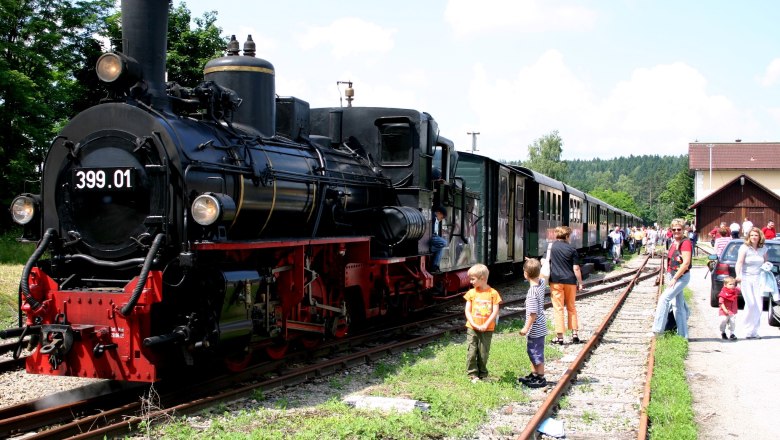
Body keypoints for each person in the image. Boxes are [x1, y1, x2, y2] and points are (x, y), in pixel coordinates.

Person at [652, 218, 692, 339]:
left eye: (679, 229)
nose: (676, 231)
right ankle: (683, 335)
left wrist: (674, 278)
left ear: (683, 229)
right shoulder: (674, 242)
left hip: (680, 277)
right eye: (673, 229)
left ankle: (657, 331)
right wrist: (668, 275)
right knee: (678, 306)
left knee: (664, 299)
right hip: (673, 275)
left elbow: (685, 263)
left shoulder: (685, 243)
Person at [463, 263, 502, 382]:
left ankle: (483, 374)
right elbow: (467, 310)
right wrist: (473, 324)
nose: (471, 281)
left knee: (483, 352)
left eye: (473, 279)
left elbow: (495, 311)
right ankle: (472, 374)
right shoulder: (471, 293)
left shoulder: (493, 293)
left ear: (482, 278)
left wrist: (486, 324)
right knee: (471, 351)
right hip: (472, 328)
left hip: (487, 329)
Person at [548, 226, 584, 345]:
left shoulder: (552, 247)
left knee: (558, 309)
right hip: (570, 281)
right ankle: (574, 334)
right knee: (571, 307)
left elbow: (545, 262)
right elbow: (576, 268)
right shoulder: (572, 249)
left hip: (556, 281)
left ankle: (560, 337)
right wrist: (580, 282)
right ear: (567, 236)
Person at [517, 258, 548, 388]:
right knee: (533, 351)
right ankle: (534, 374)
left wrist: (525, 328)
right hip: (541, 326)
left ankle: (540, 378)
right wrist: (534, 263)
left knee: (536, 353)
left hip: (535, 328)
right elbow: (542, 275)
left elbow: (532, 314)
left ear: (525, 274)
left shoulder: (531, 293)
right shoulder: (541, 284)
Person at [734, 227, 767, 339]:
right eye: (752, 235)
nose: (754, 237)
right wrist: (738, 275)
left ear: (760, 237)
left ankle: (754, 331)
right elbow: (739, 263)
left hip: (759, 279)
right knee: (751, 303)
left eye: (756, 235)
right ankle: (746, 329)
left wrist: (768, 267)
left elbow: (766, 263)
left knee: (759, 305)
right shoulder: (744, 248)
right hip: (746, 278)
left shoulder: (763, 249)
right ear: (749, 236)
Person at [718, 276, 739, 340]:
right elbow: (721, 302)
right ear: (725, 285)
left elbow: (740, 288)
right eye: (730, 284)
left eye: (733, 284)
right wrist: (725, 310)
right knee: (723, 321)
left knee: (732, 322)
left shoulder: (735, 291)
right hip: (724, 311)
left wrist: (739, 281)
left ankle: (732, 333)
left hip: (732, 311)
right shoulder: (723, 292)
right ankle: (723, 332)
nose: (732, 286)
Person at [430, 206, 448, 273]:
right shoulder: (433, 218)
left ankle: (434, 267)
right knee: (444, 243)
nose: (442, 219)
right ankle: (431, 249)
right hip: (431, 236)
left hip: (434, 236)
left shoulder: (436, 220)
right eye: (442, 217)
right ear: (439, 213)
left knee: (440, 249)